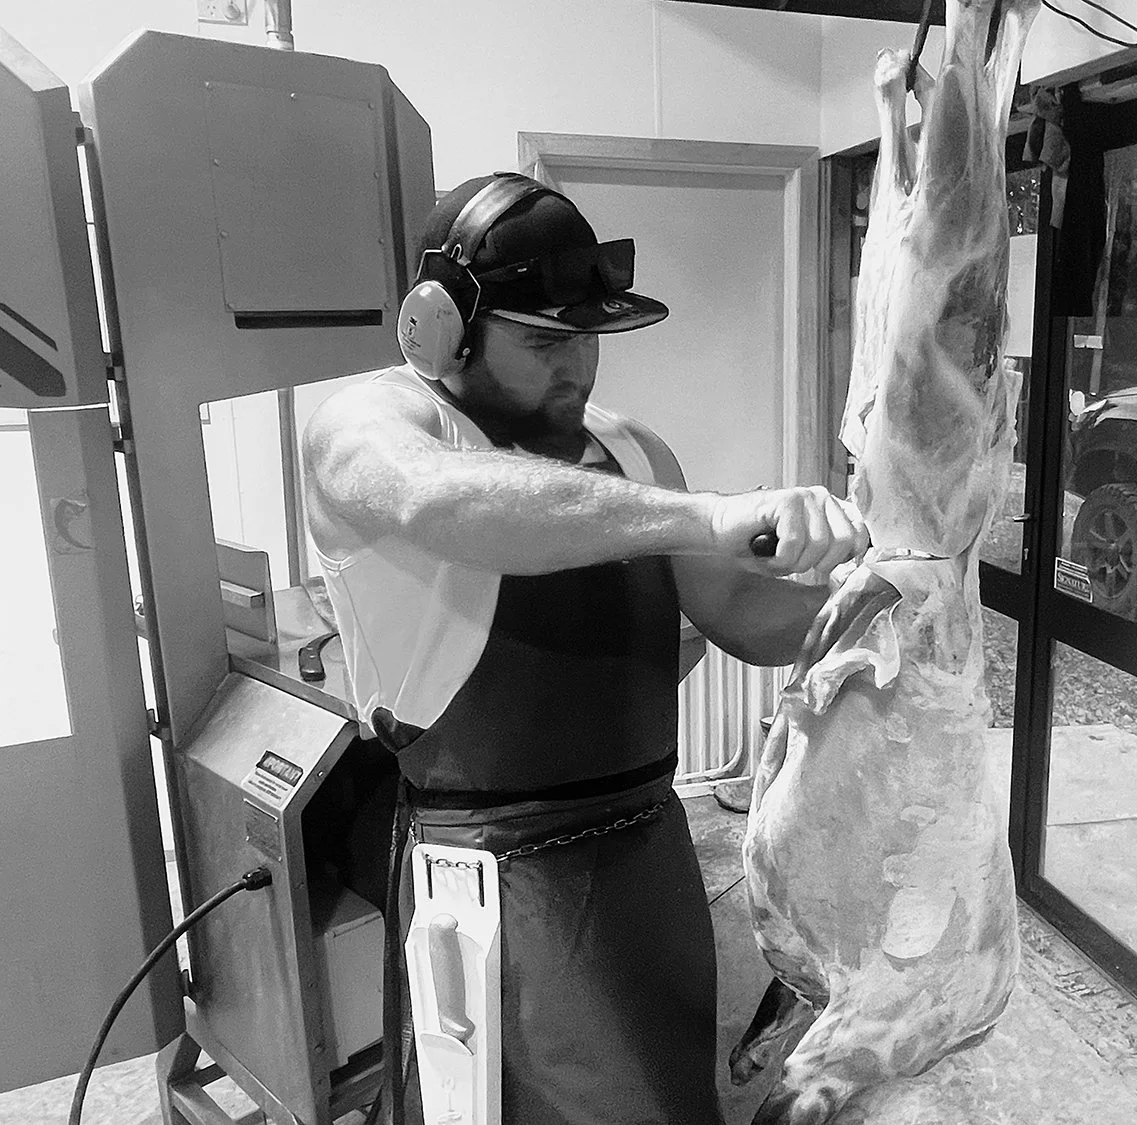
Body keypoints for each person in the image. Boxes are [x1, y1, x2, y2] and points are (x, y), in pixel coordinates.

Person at [300, 171, 867, 1125]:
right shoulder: (368, 427)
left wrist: (870, 591)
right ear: (441, 328)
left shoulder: (634, 454)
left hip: (649, 851)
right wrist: (711, 515)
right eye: (544, 342)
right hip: (492, 872)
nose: (578, 368)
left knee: (673, 1098)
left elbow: (740, 613)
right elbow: (447, 502)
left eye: (589, 339)